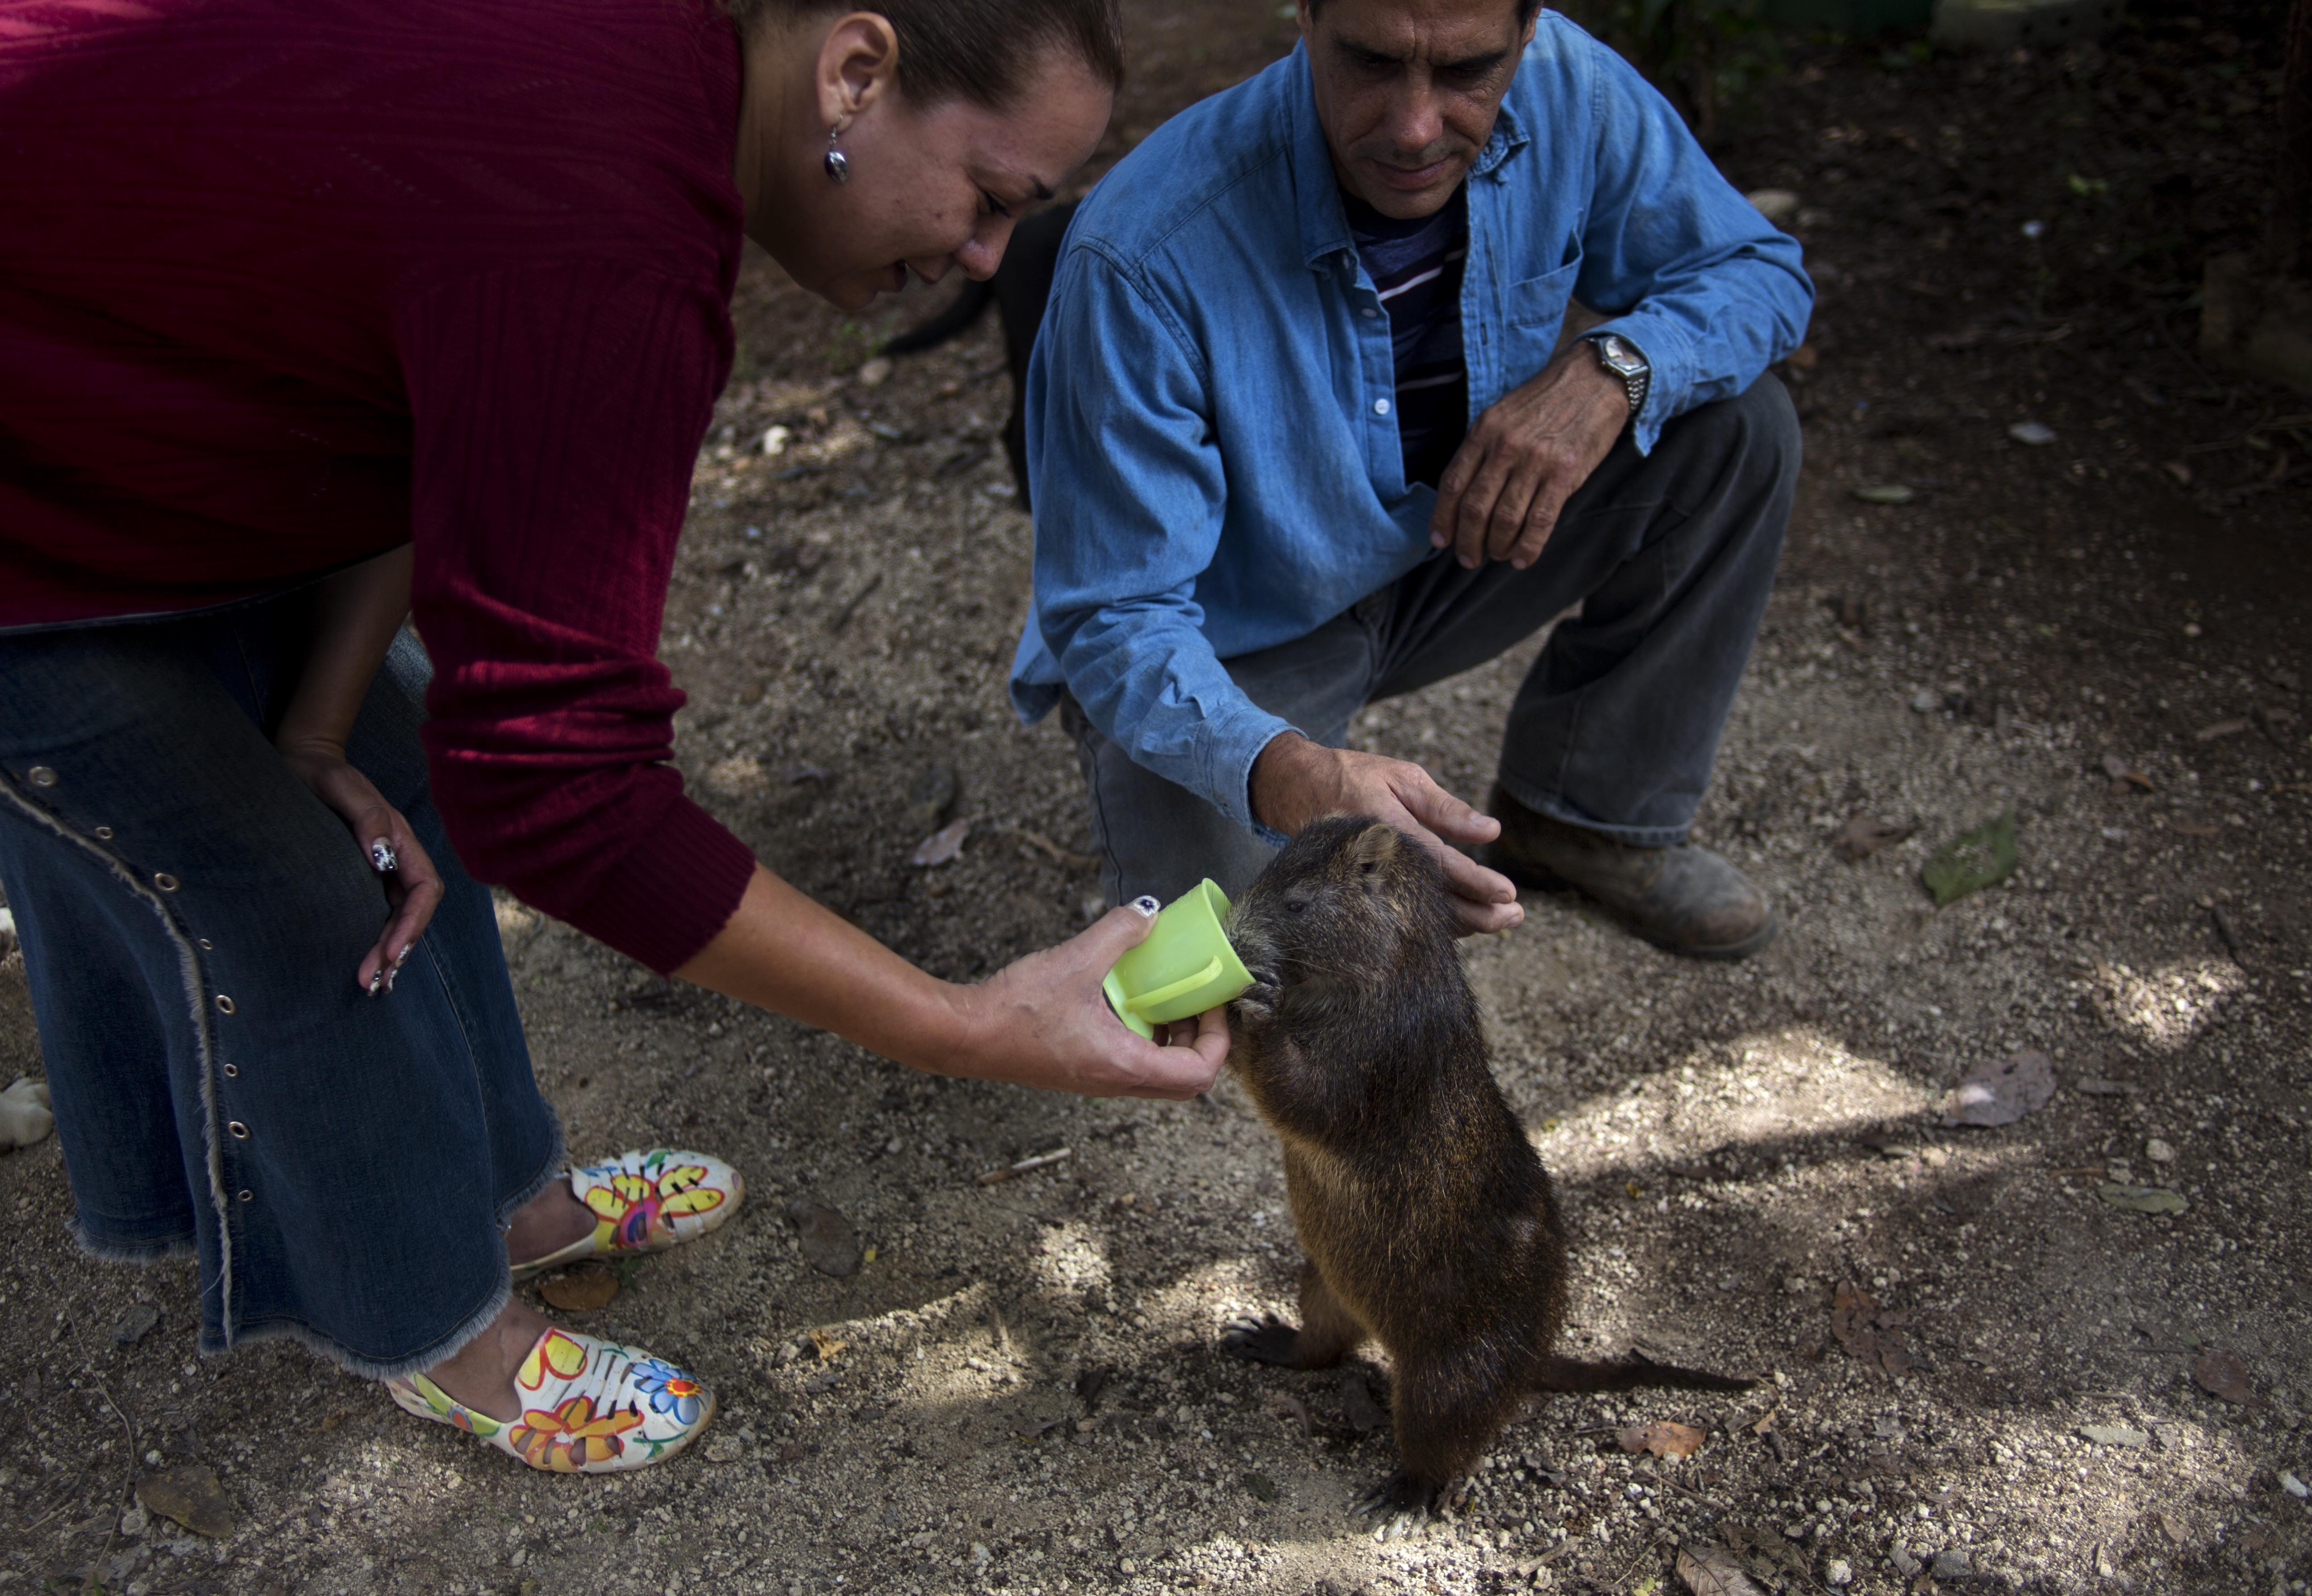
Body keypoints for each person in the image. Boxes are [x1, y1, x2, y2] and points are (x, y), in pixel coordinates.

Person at [0, 0, 1227, 1478]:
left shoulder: (655, 99)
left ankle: (509, 1195)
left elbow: (443, 421)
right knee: (281, 900)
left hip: (162, 414)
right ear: (857, 69)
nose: (983, 259)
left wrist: (321, 720)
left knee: (394, 778)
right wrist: (953, 1017)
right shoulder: (615, 231)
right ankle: (438, 1324)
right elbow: (564, 789)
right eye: (989, 200)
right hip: (45, 472)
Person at [1012, 0, 1813, 959]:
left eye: (1468, 71)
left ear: (1528, 32)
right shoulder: (1142, 248)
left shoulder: (1572, 87)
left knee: (1739, 429)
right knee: (1232, 965)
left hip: (1453, 542)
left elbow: (1757, 271)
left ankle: (1586, 814)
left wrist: (1615, 369)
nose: (1414, 127)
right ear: (1302, 16)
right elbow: (1113, 615)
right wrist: (1288, 772)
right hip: (1231, 636)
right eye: (1372, 63)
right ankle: (1229, 811)